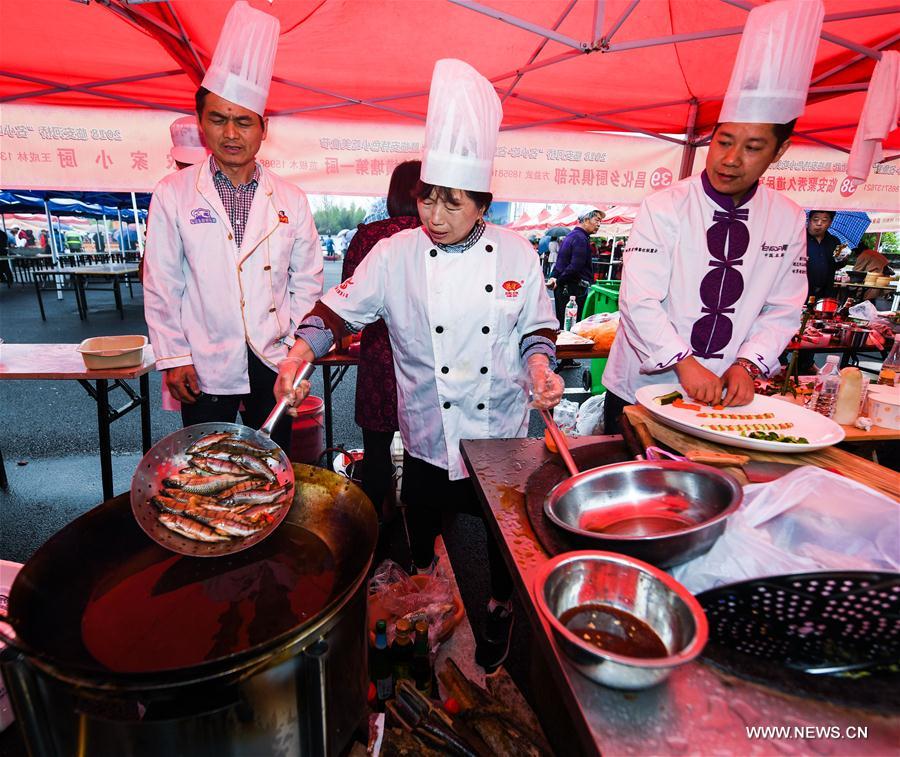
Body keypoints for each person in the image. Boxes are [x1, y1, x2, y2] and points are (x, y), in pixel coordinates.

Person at [275, 59, 563, 673]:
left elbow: (536, 329)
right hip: (429, 436)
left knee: (498, 549)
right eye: (427, 197)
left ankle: (497, 626)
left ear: (482, 201)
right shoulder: (393, 254)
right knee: (427, 530)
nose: (433, 213)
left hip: (501, 435)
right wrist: (301, 351)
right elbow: (338, 310)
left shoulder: (517, 252)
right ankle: (423, 637)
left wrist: (541, 370)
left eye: (450, 202)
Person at [603, 0, 819, 434]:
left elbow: (782, 307)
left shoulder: (788, 218)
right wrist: (684, 363)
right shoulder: (664, 206)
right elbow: (639, 301)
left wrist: (748, 363)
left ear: (779, 151)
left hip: (725, 394)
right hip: (644, 388)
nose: (731, 159)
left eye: (753, 147)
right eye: (724, 141)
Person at [143, 0, 322, 451]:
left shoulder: (292, 200)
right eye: (218, 119)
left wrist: (296, 352)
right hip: (203, 360)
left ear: (263, 129)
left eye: (243, 122)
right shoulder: (174, 192)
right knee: (204, 459)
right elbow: (162, 282)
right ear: (202, 124)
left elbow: (307, 283)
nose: (230, 133)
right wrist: (174, 356)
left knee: (271, 456)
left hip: (274, 356)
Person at [341, 160, 422, 530]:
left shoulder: (367, 237)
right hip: (426, 359)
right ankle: (424, 532)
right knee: (424, 453)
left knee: (376, 451)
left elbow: (346, 303)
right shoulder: (438, 237)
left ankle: (374, 528)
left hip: (377, 355)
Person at [547, 209, 604, 329]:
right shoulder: (580, 238)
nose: (599, 224)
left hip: (566, 288)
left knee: (564, 326)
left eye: (600, 221)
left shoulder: (571, 236)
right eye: (597, 220)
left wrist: (554, 277)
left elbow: (560, 262)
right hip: (572, 289)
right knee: (571, 328)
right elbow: (575, 266)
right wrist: (558, 280)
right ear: (586, 220)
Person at [806, 210, 840, 300]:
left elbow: (837, 264)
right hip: (802, 290)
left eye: (824, 220)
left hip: (825, 292)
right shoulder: (799, 238)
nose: (819, 223)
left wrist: (842, 259)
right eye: (815, 219)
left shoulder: (834, 241)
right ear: (809, 220)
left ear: (830, 223)